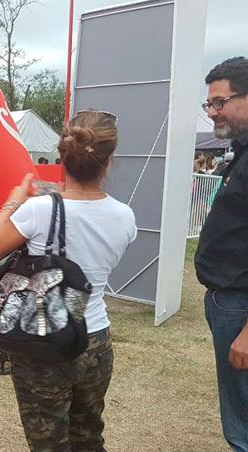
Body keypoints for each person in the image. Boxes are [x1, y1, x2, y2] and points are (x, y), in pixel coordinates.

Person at [0, 110, 136, 451]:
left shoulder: (39, 210)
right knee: (89, 438)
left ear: (63, 157)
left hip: (44, 342)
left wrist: (14, 201)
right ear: (108, 161)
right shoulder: (125, 217)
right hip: (95, 339)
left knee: (48, 443)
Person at [194, 56, 248, 452]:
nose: (213, 112)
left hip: (240, 307)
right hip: (226, 301)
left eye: (219, 102)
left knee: (243, 415)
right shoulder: (241, 153)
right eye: (209, 104)